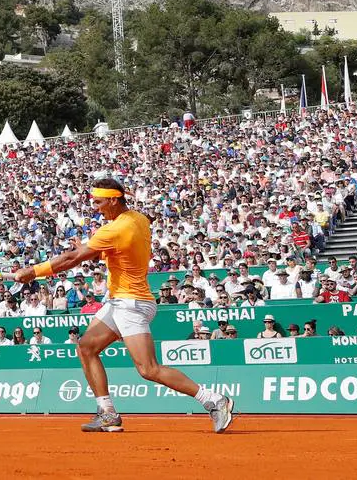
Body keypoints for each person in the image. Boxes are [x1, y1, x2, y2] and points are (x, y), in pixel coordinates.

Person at [12, 177, 234, 433]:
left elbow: (72, 258)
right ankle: (107, 413)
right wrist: (89, 249)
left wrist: (33, 271)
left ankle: (214, 400)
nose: (93, 206)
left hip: (131, 304)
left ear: (113, 199)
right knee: (86, 348)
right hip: (120, 301)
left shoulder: (113, 229)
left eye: (98, 201)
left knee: (148, 369)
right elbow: (114, 249)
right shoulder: (138, 219)